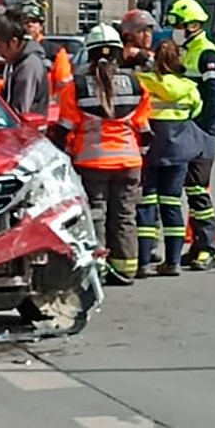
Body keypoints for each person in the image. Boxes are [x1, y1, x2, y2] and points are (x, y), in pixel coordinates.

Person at [49, 24, 152, 286]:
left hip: (91, 161)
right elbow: (145, 130)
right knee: (125, 215)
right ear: (119, 53)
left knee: (96, 214)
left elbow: (64, 128)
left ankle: (99, 268)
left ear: (90, 54)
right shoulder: (136, 84)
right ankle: (126, 268)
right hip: (129, 162)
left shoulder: (77, 87)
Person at [135, 40, 205, 278]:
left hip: (149, 152)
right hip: (178, 154)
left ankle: (143, 262)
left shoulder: (143, 84)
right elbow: (196, 111)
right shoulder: (189, 88)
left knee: (146, 206)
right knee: (172, 205)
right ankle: (172, 262)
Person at [165, 0, 215, 271]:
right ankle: (198, 245)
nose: (174, 29)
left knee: (198, 190)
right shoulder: (187, 50)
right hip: (186, 131)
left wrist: (205, 132)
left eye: (177, 24)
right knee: (188, 189)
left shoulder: (206, 53)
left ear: (191, 25)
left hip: (200, 133)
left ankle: (209, 249)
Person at [0, 12, 49, 117]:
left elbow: (20, 112)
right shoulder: (16, 61)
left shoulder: (28, 67)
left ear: (14, 42)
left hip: (26, 132)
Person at [14, 0, 73, 98]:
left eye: (34, 21)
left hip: (44, 107)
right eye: (25, 21)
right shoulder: (10, 48)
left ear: (41, 26)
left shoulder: (55, 52)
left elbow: (63, 83)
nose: (30, 25)